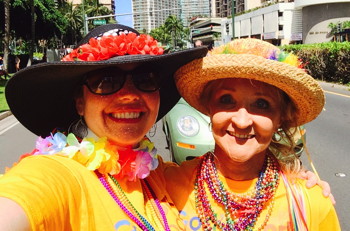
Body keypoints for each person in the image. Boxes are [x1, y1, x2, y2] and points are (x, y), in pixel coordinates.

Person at [0, 24, 208, 230]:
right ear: (80, 102)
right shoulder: (59, 173)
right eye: (107, 81)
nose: (130, 94)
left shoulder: (160, 174)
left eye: (145, 79)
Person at [163, 38, 341, 230]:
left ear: (280, 118)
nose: (242, 121)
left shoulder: (310, 203)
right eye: (226, 99)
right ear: (209, 107)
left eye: (262, 104)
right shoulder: (165, 186)